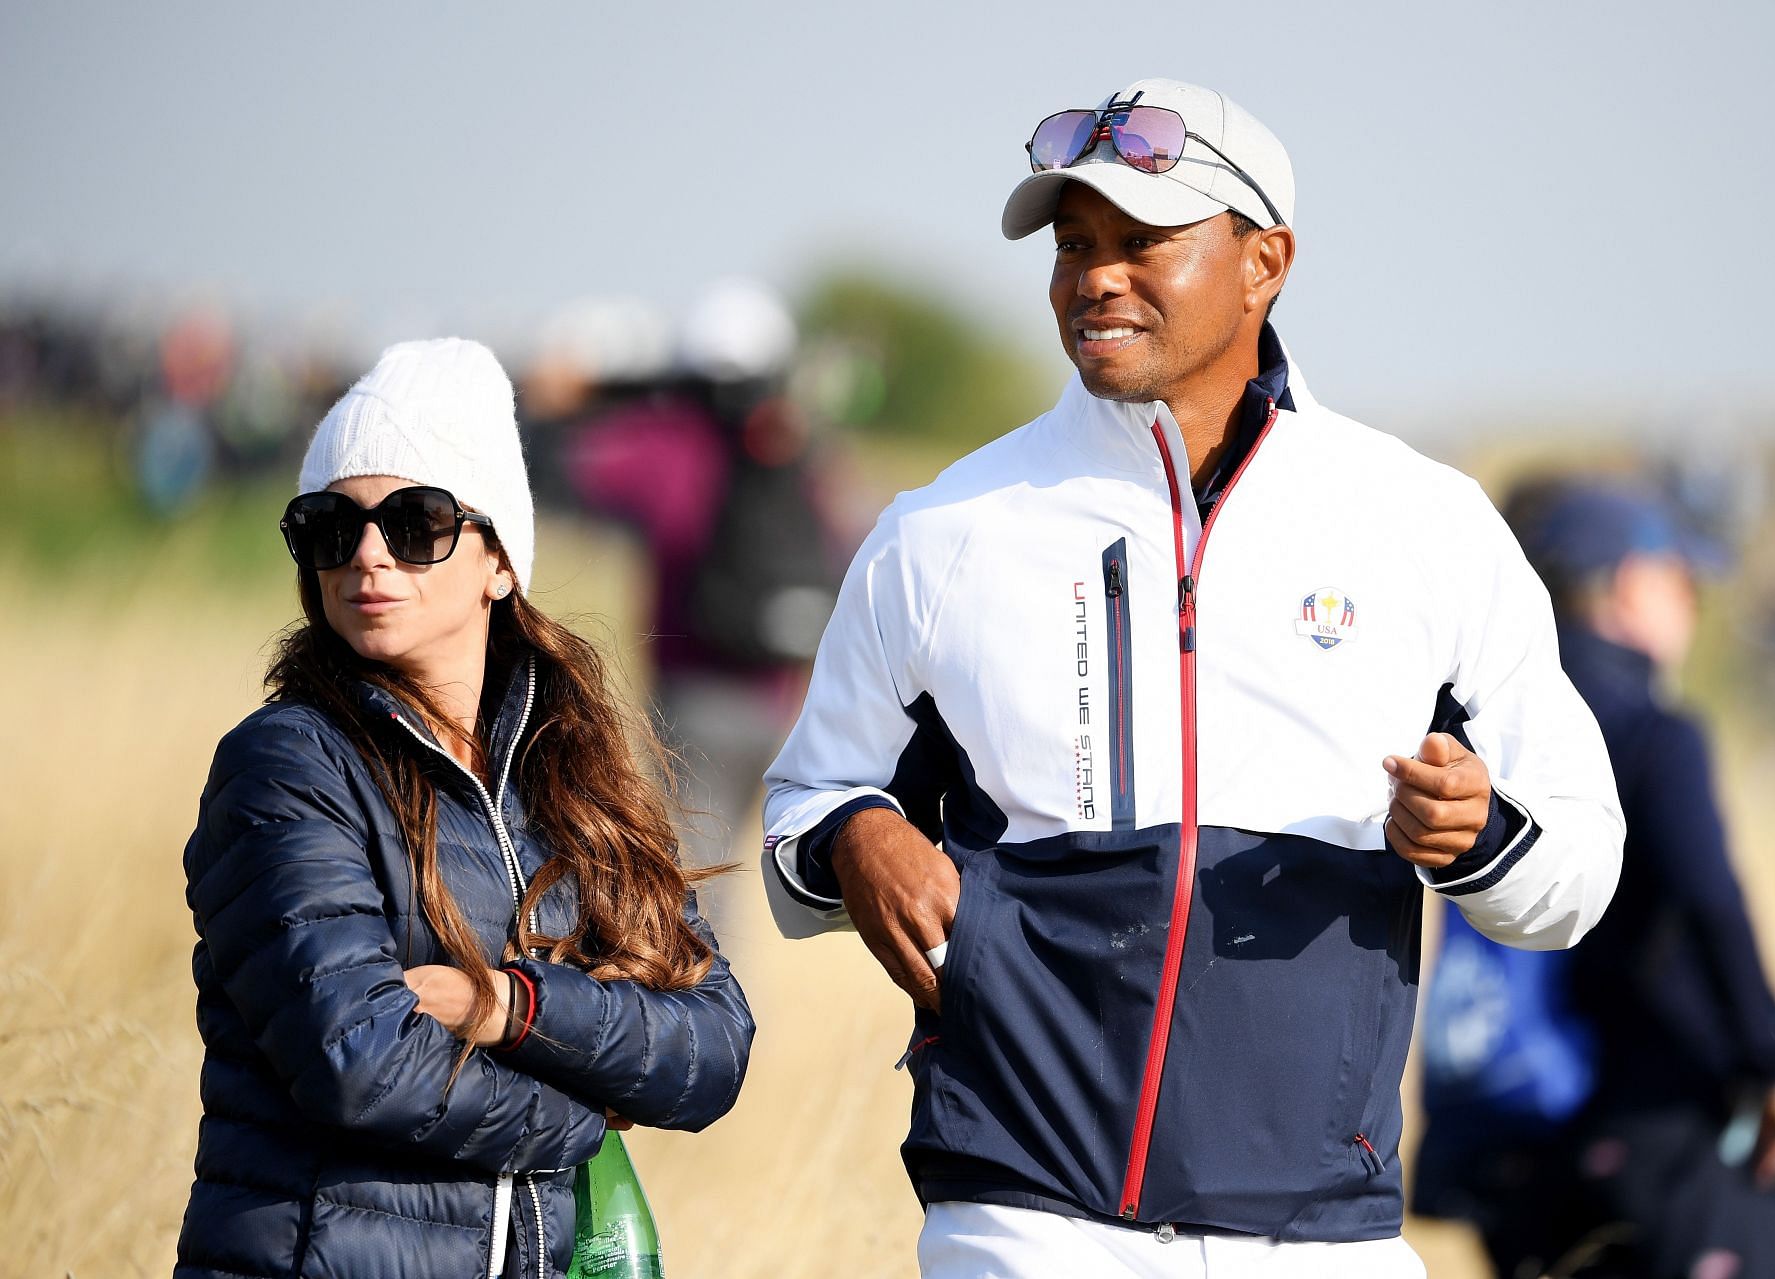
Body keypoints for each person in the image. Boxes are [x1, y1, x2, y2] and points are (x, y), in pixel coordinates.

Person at [760, 78, 1624, 1277]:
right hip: (1023, 1221)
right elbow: (798, 820)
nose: (1094, 277)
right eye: (1073, 245)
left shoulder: (1426, 524)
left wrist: (1478, 833)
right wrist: (855, 834)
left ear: (1265, 260)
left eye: (1142, 240)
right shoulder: (941, 531)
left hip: (1324, 1233)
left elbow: (1579, 867)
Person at [176, 338, 754, 1279]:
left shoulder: (570, 776)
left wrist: (511, 1007)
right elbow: (358, 1062)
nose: (368, 553)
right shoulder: (286, 763)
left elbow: (715, 1040)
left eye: (416, 522)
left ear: (499, 563)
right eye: (330, 525)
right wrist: (586, 1111)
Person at [1417, 482, 1775, 1279]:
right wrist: (1769, 1057)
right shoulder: (1653, 731)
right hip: (1653, 1132)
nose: (1693, 604)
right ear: (1631, 586)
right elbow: (1709, 899)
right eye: (1682, 580)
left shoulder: (1485, 729)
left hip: (1516, 1150)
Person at [566, 280, 846, 882]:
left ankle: (710, 981)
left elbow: (580, 469)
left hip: (693, 698)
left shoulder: (668, 447)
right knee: (728, 870)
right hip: (781, 700)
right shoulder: (793, 445)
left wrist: (626, 390)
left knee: (693, 884)